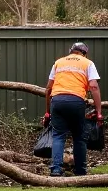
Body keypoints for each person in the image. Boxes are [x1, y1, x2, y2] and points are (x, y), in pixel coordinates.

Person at [43, 41, 103, 177]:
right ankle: (80, 171)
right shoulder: (88, 63)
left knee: (58, 136)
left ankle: (56, 170)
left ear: (71, 51)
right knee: (79, 137)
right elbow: (93, 86)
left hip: (57, 100)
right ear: (85, 53)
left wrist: (47, 112)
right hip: (76, 101)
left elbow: (48, 89)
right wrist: (99, 112)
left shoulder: (59, 62)